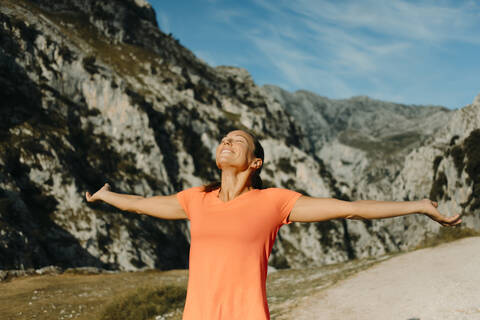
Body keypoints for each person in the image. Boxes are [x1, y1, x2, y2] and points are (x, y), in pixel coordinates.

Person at [85, 129, 462, 320]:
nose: (227, 142)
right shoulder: (195, 198)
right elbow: (142, 206)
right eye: (224, 139)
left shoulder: (273, 202)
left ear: (255, 163)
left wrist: (417, 206)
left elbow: (350, 209)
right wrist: (106, 195)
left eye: (238, 140)